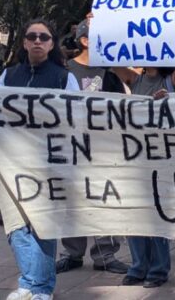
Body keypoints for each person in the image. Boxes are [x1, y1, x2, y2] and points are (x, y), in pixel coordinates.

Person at [0, 19, 79, 300]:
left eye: (44, 37)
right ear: (24, 42)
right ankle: (30, 283)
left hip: (50, 164)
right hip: (12, 162)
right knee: (16, 225)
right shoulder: (8, 76)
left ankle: (39, 288)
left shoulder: (64, 78)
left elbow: (76, 119)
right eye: (32, 36)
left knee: (43, 225)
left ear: (52, 43)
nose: (38, 41)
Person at [55, 20, 129, 275]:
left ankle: (105, 254)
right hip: (72, 147)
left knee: (104, 198)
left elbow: (123, 108)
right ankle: (72, 253)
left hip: (103, 148)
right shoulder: (66, 71)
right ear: (85, 40)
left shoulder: (110, 73)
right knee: (72, 200)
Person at [121, 67, 175, 289]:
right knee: (135, 212)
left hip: (162, 155)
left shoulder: (172, 79)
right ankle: (138, 266)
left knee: (157, 215)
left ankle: (158, 269)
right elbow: (109, 61)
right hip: (134, 154)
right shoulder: (134, 77)